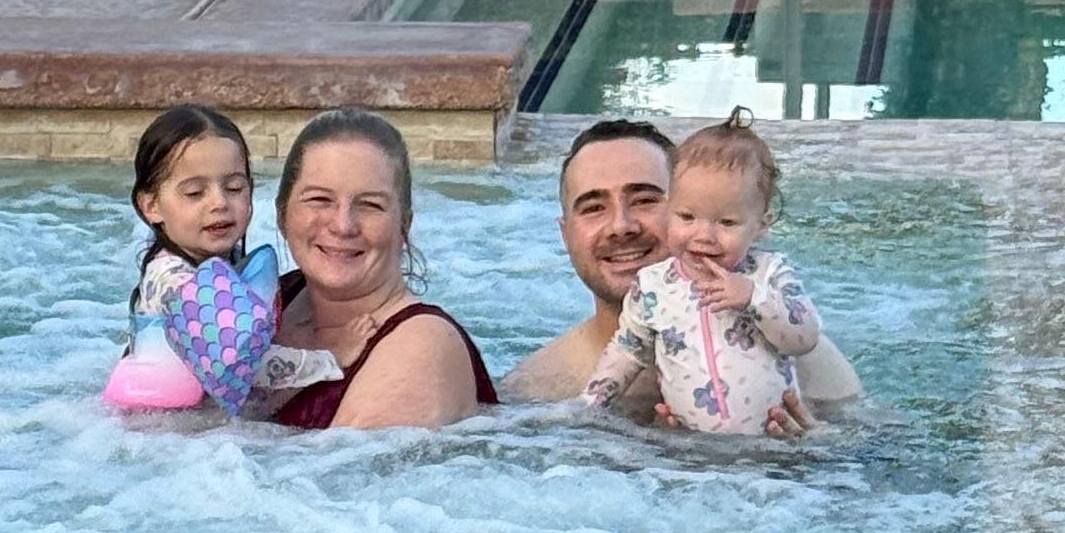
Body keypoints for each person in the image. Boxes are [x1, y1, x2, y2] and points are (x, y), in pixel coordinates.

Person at [584, 110, 855, 437]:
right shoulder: (653, 286)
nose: (704, 235)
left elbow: (805, 337)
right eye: (687, 217)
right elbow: (627, 352)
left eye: (726, 222)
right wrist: (589, 408)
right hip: (692, 447)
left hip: (772, 442)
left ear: (761, 225)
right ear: (669, 210)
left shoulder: (769, 274)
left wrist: (754, 298)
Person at [257, 109, 498, 431]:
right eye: (320, 199)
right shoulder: (267, 302)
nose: (343, 225)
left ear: (404, 225)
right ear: (282, 214)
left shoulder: (422, 346)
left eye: (370, 205)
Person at [104, 104, 299, 417]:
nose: (219, 202)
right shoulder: (171, 279)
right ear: (151, 206)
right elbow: (247, 365)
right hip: (161, 431)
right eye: (195, 193)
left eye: (234, 187)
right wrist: (330, 361)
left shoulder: (229, 260)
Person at [504, 118, 677, 406]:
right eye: (594, 208)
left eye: (644, 200)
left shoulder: (761, 350)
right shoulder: (537, 392)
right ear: (566, 236)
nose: (621, 226)